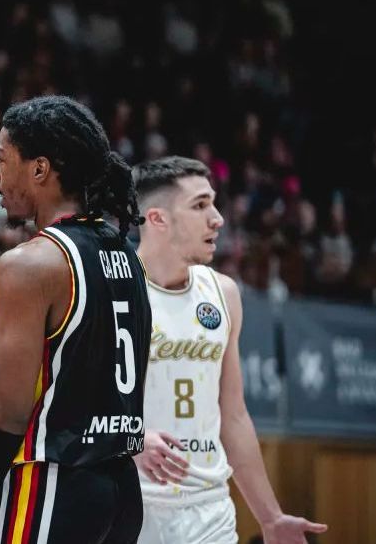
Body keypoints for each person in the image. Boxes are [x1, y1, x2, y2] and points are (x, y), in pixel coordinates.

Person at [0, 95, 151, 544]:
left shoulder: (31, 265)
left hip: (54, 485)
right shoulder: (127, 254)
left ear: (39, 169)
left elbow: (6, 416)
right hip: (122, 493)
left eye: (1, 158)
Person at [131, 156, 327, 544]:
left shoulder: (223, 293)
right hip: (132, 504)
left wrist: (271, 518)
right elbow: (74, 400)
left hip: (210, 511)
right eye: (200, 205)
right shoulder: (113, 290)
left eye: (214, 203)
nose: (217, 219)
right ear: (157, 219)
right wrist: (131, 439)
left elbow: (233, 416)